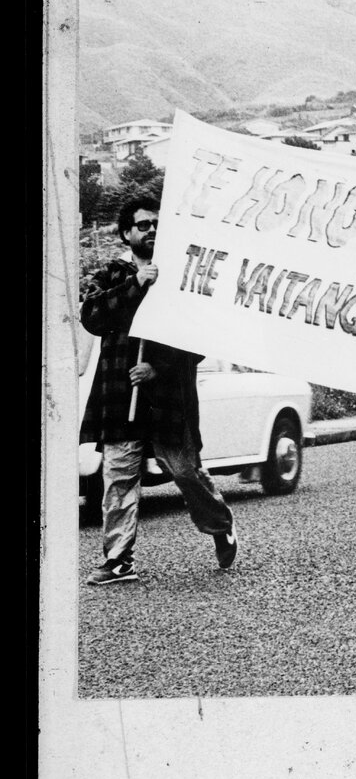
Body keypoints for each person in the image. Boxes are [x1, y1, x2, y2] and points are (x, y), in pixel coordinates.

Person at [79, 194, 239, 585]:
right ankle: (118, 560)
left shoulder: (183, 278)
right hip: (120, 398)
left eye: (156, 225)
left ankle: (220, 524)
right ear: (125, 233)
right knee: (118, 478)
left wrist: (157, 368)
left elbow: (200, 340)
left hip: (167, 399)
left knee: (184, 471)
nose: (150, 230)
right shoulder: (112, 277)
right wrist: (136, 284)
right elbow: (92, 317)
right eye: (142, 225)